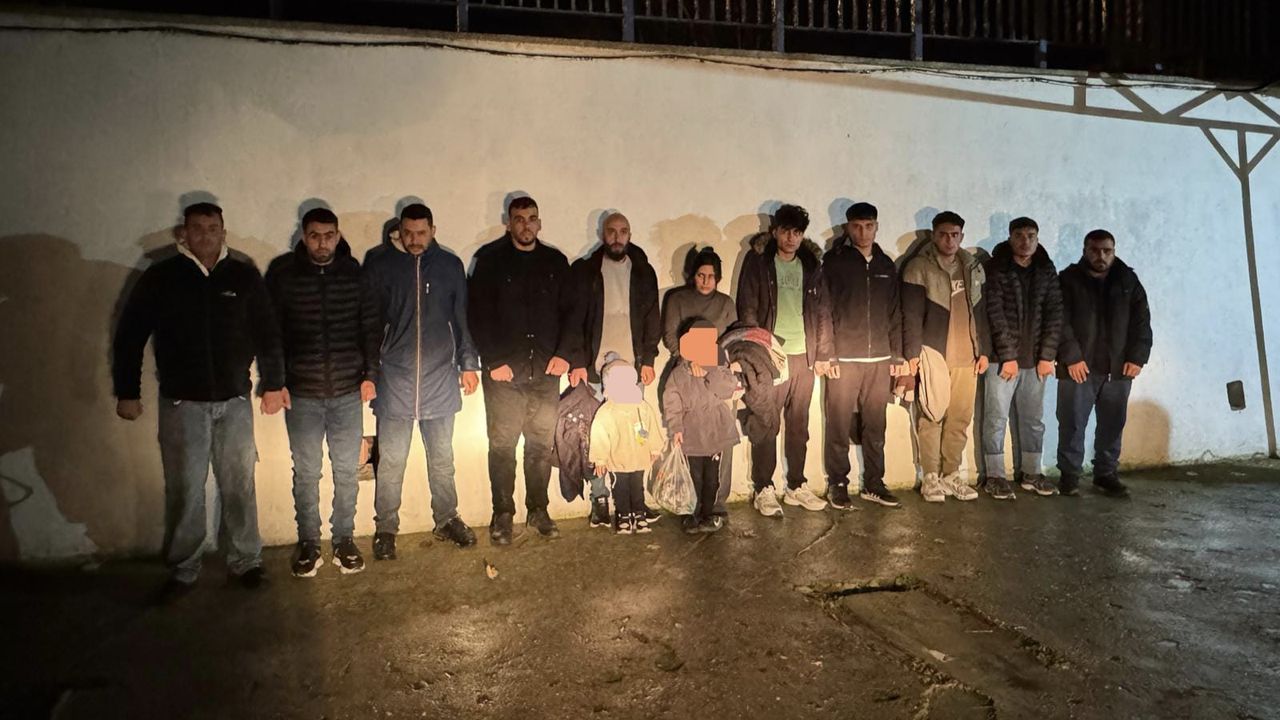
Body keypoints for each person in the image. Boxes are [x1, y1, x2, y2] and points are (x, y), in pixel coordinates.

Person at [112, 202, 285, 599]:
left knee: (240, 485)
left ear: (223, 232)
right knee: (186, 488)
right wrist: (127, 392)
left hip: (234, 401)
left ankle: (246, 561)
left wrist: (274, 382)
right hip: (182, 404)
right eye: (197, 228)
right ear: (183, 234)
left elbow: (267, 333)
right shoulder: (161, 277)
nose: (205, 235)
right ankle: (184, 567)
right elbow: (130, 336)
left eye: (212, 228)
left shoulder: (243, 275)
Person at [265, 207, 380, 576]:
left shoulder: (354, 273)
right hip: (302, 393)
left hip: (347, 391)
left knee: (347, 471)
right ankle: (310, 543)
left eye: (329, 235)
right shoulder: (283, 274)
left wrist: (371, 374)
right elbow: (272, 333)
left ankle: (344, 540)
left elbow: (370, 327)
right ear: (304, 236)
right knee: (307, 472)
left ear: (338, 235)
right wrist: (275, 382)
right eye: (315, 235)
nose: (322, 243)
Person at [362, 203, 480, 561]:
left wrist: (468, 364)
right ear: (400, 230)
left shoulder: (449, 265)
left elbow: (462, 319)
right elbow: (369, 323)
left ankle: (447, 519)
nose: (415, 240)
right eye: (409, 233)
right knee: (391, 461)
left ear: (433, 231)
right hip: (394, 378)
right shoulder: (380, 264)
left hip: (440, 377)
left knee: (442, 459)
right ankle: (385, 529)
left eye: (422, 233)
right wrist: (369, 374)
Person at [469, 196, 577, 544]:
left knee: (540, 446)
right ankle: (502, 515)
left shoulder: (555, 262)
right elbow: (476, 315)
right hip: (505, 376)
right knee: (502, 446)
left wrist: (564, 354)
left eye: (532, 219)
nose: (526, 225)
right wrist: (493, 360)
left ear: (539, 223)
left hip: (546, 372)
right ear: (509, 223)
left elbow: (572, 313)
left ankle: (538, 510)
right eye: (519, 219)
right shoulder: (490, 261)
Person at [566, 211, 660, 527]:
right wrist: (577, 362)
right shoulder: (585, 271)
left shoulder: (644, 271)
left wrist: (648, 359)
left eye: (623, 231)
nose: (617, 237)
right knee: (596, 435)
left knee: (635, 436)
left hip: (631, 370)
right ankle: (599, 498)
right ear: (601, 234)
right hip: (595, 370)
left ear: (630, 234)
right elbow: (574, 319)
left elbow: (652, 318)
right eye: (611, 231)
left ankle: (635, 502)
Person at [814, 202, 908, 509]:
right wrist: (828, 353)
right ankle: (838, 483)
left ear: (876, 227)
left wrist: (897, 355)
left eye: (869, 226)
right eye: (857, 226)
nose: (863, 232)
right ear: (847, 228)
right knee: (838, 423)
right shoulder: (834, 262)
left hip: (879, 359)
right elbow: (824, 309)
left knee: (876, 425)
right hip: (844, 358)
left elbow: (895, 312)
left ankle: (874, 483)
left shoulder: (886, 264)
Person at [736, 204, 828, 516]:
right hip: (771, 356)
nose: (791, 238)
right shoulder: (759, 261)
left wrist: (823, 353)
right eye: (786, 231)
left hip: (805, 356)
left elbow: (823, 309)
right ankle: (763, 488)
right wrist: (758, 352)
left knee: (799, 423)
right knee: (766, 421)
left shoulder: (811, 263)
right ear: (775, 231)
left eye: (797, 233)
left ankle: (796, 485)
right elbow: (747, 306)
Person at [1055, 229, 1152, 497]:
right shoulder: (1068, 280)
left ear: (1114, 251)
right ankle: (1069, 476)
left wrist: (1137, 357)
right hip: (1078, 368)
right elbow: (1059, 321)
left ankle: (1106, 474)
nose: (1101, 256)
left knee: (1113, 423)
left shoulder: (1127, 280)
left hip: (1118, 368)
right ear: (1085, 251)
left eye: (1107, 251)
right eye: (1095, 250)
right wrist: (1071, 357)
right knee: (1072, 423)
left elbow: (1142, 321)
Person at [901, 210, 989, 503]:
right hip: (933, 354)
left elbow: (982, 312)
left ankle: (952, 475)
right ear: (933, 235)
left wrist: (983, 350)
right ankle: (930, 477)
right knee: (931, 416)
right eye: (943, 234)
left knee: (960, 419)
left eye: (955, 235)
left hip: (967, 356)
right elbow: (911, 315)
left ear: (962, 236)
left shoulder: (972, 266)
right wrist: (912, 353)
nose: (949, 240)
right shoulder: (918, 267)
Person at [979, 217, 1063, 500]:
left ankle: (1031, 473)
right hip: (1002, 361)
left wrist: (1047, 356)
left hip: (1036, 360)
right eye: (1019, 235)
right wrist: (1007, 356)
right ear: (1010, 237)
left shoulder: (1046, 269)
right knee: (995, 419)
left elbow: (1055, 313)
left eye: (1031, 235)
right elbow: (994, 312)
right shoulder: (996, 267)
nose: (1025, 241)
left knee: (1033, 420)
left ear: (1037, 238)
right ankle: (994, 476)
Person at [660, 245, 737, 519]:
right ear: (692, 275)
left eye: (711, 276)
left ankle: (715, 503)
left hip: (716, 373)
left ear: (718, 278)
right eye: (701, 275)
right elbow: (671, 336)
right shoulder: (677, 299)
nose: (706, 281)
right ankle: (689, 505)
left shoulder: (726, 303)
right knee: (691, 447)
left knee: (719, 443)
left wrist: (714, 364)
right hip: (687, 369)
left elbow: (731, 338)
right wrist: (690, 359)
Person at [663, 321, 740, 534]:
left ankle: (709, 513)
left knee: (712, 477)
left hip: (716, 432)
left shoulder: (719, 367)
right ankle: (691, 514)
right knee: (693, 476)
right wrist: (676, 427)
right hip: (692, 433)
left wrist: (710, 370)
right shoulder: (678, 373)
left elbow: (727, 389)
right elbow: (672, 402)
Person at [589, 357, 663, 535]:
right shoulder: (606, 411)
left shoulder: (641, 407)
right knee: (620, 488)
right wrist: (600, 459)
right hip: (618, 460)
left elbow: (651, 426)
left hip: (638, 457)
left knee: (637, 487)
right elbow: (599, 435)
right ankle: (623, 515)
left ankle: (639, 513)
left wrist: (654, 448)